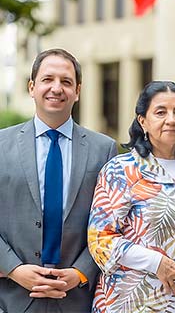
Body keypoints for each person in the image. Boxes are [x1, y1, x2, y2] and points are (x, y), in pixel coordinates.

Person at [0, 48, 117, 313]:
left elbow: (112, 223)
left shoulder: (103, 149)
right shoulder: (1, 144)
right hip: (11, 298)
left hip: (78, 299)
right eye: (47, 79)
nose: (56, 88)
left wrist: (80, 272)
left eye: (66, 82)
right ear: (32, 87)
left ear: (77, 90)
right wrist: (15, 269)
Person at [87, 80, 175, 313]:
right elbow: (100, 239)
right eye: (160, 112)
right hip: (133, 302)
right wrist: (156, 263)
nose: (171, 120)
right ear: (142, 120)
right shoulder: (121, 170)